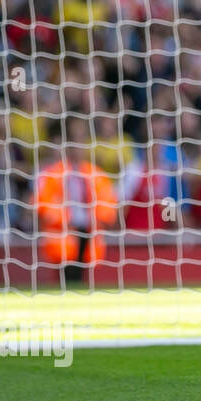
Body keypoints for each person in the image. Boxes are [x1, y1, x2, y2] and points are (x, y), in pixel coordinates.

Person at [35, 117, 118, 289]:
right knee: (66, 277)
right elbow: (43, 203)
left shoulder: (95, 174)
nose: (77, 147)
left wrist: (97, 219)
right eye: (74, 141)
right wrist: (64, 219)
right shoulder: (53, 174)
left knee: (84, 278)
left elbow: (108, 203)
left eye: (81, 140)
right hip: (64, 232)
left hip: (89, 230)